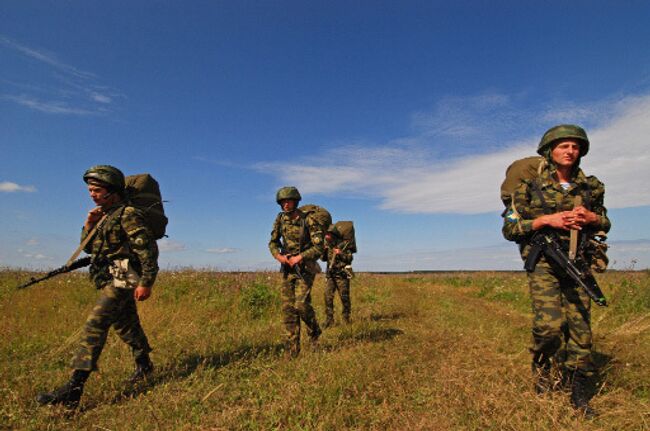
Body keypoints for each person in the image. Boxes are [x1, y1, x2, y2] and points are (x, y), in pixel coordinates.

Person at [502, 125, 610, 417]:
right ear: (549, 150)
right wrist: (545, 221)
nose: (570, 151)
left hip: (580, 261)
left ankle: (577, 390)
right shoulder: (528, 188)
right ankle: (542, 365)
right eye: (563, 146)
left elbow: (605, 222)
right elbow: (510, 228)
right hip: (545, 262)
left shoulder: (591, 187)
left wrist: (592, 218)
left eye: (575, 147)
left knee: (581, 331)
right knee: (549, 327)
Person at [37, 165, 159, 409]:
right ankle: (144, 365)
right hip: (110, 275)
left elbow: (148, 250)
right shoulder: (106, 216)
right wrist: (89, 224)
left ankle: (73, 389)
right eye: (90, 190)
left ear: (111, 189)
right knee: (125, 323)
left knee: (96, 323)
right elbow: (91, 249)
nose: (91, 194)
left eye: (96, 189)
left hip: (124, 274)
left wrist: (146, 282)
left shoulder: (128, 214)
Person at [268, 186, 323, 358]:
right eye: (282, 202)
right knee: (288, 309)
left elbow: (319, 247)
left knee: (301, 305)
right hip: (287, 268)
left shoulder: (308, 220)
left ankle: (314, 331)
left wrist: (300, 257)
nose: (285, 205)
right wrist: (278, 256)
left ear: (296, 201)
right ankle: (292, 351)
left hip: (305, 268)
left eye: (288, 201)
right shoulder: (280, 219)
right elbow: (273, 242)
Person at [321, 224, 354, 327]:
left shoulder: (343, 244)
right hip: (330, 275)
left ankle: (346, 319)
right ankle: (329, 320)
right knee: (327, 297)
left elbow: (350, 259)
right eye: (326, 234)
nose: (326, 236)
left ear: (333, 234)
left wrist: (340, 253)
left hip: (342, 275)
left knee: (344, 298)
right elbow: (323, 259)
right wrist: (324, 252)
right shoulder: (327, 246)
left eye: (328, 234)